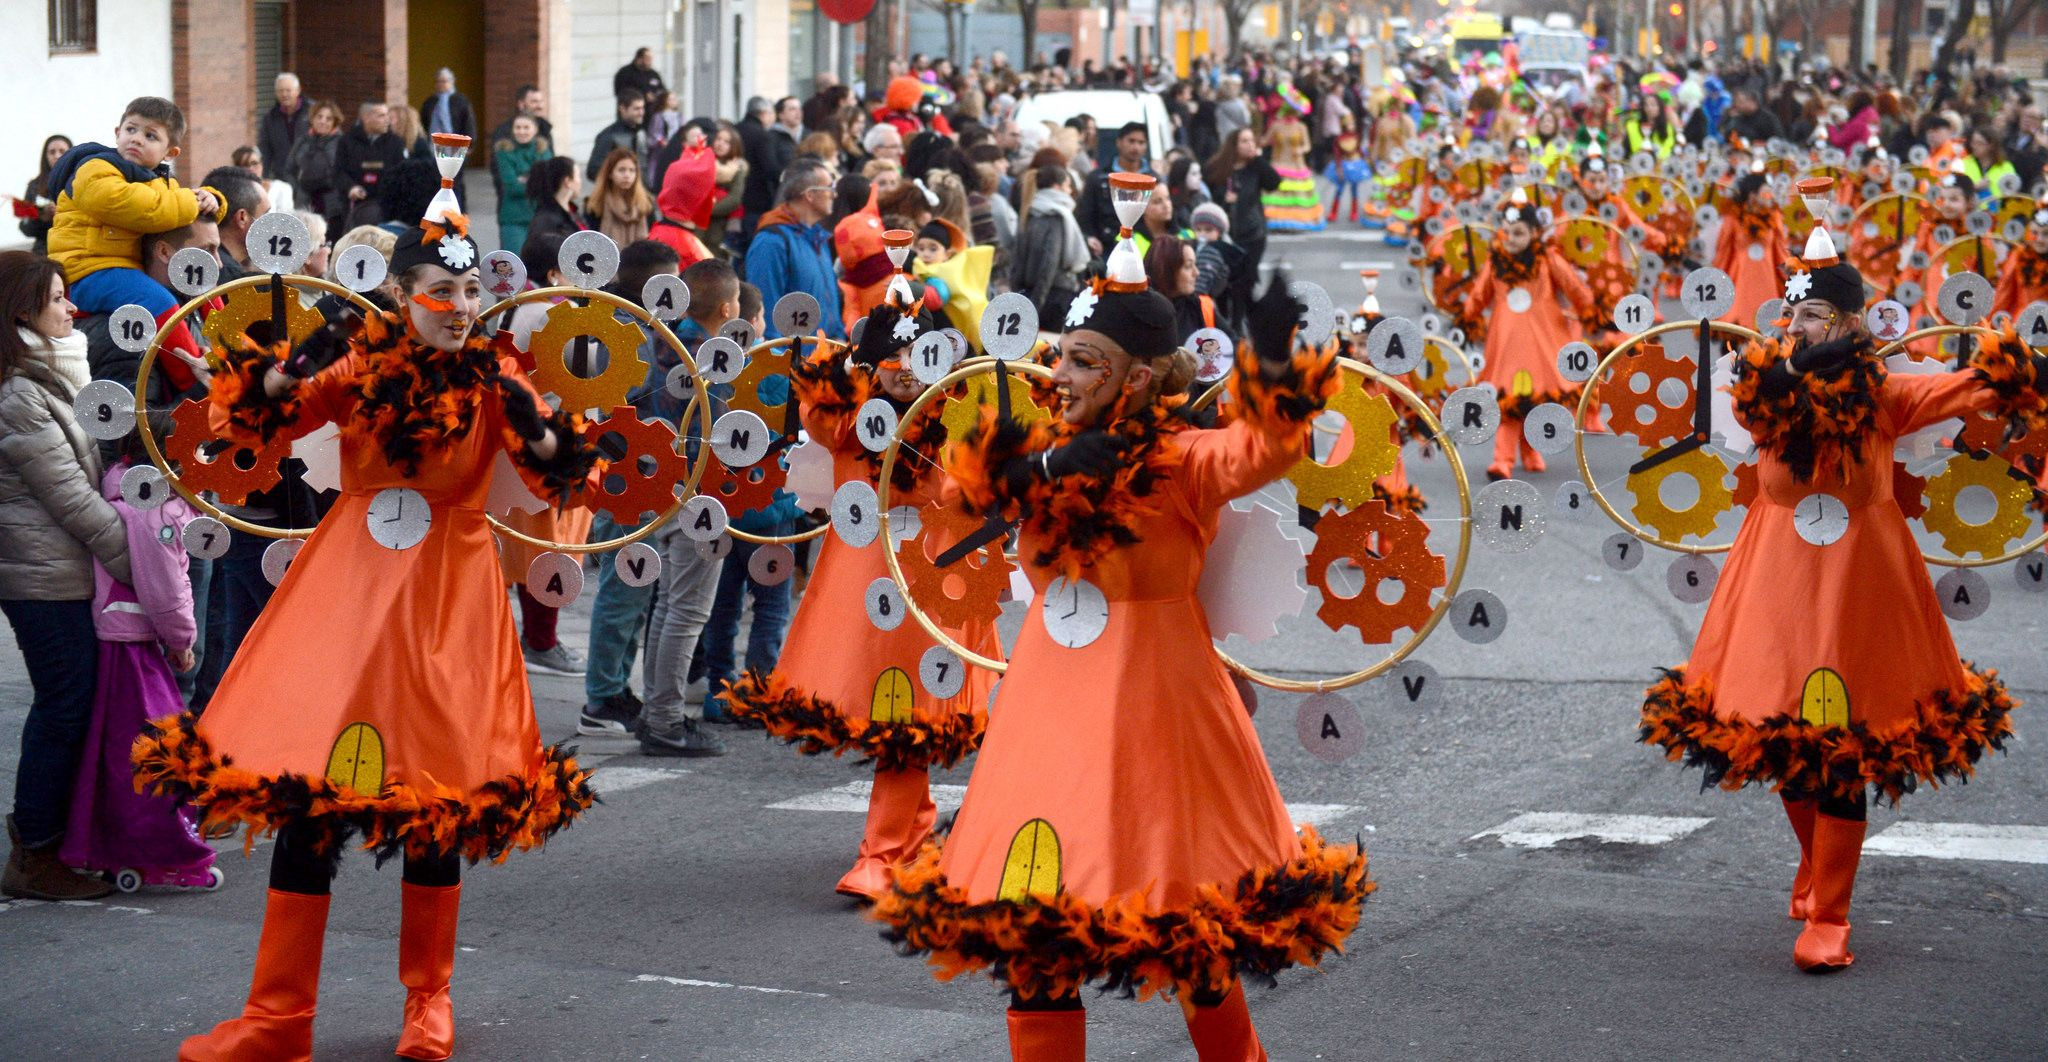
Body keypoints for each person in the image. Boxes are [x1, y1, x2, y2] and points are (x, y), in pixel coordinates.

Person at [135, 195, 601, 1060]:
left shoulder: (499, 382)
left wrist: (544, 439)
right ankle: (279, 1019)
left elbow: (563, 485)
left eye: (467, 292)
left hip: (447, 600)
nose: (459, 307)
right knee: (311, 793)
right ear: (399, 292)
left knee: (434, 797)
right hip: (348, 589)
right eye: (439, 291)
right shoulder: (359, 368)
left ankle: (429, 1005)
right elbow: (253, 425)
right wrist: (288, 369)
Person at [873, 265, 1366, 1062]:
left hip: (1157, 716)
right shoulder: (1038, 451)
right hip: (1047, 716)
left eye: (1082, 362)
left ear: (1137, 378)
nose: (1057, 376)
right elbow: (954, 501)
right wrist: (1038, 471)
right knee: (1036, 935)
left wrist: (1274, 369)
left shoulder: (1180, 459)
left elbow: (1260, 453)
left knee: (1192, 935)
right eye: (1060, 356)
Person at [1638, 198, 2044, 974]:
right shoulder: (1763, 390)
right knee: (1778, 734)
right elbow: (1712, 417)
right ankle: (1816, 862)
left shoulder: (1886, 396)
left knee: (1845, 749)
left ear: (1854, 325)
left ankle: (1830, 912)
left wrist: (2025, 368)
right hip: (1777, 584)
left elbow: (1972, 390)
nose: (1799, 326)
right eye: (1795, 314)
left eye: (1817, 313)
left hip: (1863, 592)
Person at [725, 282, 999, 899]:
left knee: (912, 718)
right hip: (867, 587)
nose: (906, 377)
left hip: (935, 584)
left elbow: (997, 454)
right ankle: (911, 831)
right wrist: (859, 351)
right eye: (892, 366)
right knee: (896, 715)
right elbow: (815, 398)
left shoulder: (956, 412)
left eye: (919, 362)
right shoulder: (851, 424)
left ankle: (884, 851)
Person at [0, 250, 133, 901]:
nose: (70, 309)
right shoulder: (18, 395)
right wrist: (134, 567)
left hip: (58, 572)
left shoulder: (45, 374)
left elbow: (100, 446)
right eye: (57, 299)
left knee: (69, 703)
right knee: (64, 705)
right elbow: (74, 501)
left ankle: (55, 842)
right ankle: (35, 851)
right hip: (39, 580)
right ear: (23, 309)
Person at [58, 428, 214, 891]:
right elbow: (165, 590)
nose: (207, 458)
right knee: (154, 748)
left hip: (121, 635)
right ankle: (157, 845)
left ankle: (112, 844)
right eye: (200, 449)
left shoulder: (133, 494)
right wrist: (183, 639)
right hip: (132, 640)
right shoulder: (156, 512)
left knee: (118, 749)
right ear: (175, 459)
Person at [623, 256, 733, 756]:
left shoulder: (663, 341)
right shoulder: (716, 358)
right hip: (698, 490)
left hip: (660, 485)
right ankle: (666, 720)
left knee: (668, 605)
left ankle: (656, 712)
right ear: (730, 306)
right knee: (687, 611)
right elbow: (731, 435)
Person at [575, 238, 683, 739]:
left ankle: (614, 686)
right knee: (626, 586)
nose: (676, 289)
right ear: (647, 283)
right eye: (669, 280)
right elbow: (618, 410)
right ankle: (603, 697)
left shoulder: (643, 326)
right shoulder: (626, 331)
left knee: (635, 588)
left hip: (640, 471)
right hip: (628, 476)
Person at [46, 97, 225, 394]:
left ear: (170, 153)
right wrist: (189, 201)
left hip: (117, 269)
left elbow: (175, 205)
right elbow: (145, 208)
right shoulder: (95, 169)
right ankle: (194, 383)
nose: (137, 140)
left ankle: (235, 351)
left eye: (150, 135)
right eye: (131, 130)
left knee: (204, 285)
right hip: (86, 270)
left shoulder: (155, 182)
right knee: (156, 300)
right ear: (117, 132)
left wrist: (211, 199)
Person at [1461, 190, 1595, 480]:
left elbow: (1573, 287)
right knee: (1508, 398)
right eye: (1506, 232)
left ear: (1535, 233)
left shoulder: (1548, 259)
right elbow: (1479, 294)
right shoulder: (1496, 261)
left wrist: (1590, 309)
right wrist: (1466, 317)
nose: (1510, 238)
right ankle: (1502, 460)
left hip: (1542, 341)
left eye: (1518, 233)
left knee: (1534, 398)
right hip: (1507, 342)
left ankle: (1530, 450)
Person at [745, 159, 844, 340]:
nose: (834, 195)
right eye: (829, 188)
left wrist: (837, 338)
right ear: (810, 195)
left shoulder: (818, 238)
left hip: (824, 359)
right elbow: (765, 311)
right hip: (793, 362)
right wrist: (777, 362)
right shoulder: (771, 242)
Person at [1204, 128, 1283, 325]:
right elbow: (1209, 198)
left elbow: (1274, 182)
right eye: (1244, 141)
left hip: (1253, 233)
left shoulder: (1255, 167)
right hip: (1225, 234)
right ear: (1234, 145)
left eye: (1251, 140)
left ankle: (1240, 324)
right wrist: (1225, 199)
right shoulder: (1218, 168)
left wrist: (1258, 159)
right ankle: (1224, 319)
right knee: (1224, 280)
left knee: (1245, 280)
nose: (1249, 144)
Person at [1010, 162, 1088, 332]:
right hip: (1053, 298)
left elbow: (1017, 261)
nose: (1070, 191)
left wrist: (1018, 299)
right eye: (1067, 185)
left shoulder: (1029, 211)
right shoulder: (1057, 215)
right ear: (1056, 186)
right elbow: (1048, 264)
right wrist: (1035, 308)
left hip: (1028, 294)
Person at [1713, 170, 1789, 327]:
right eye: (1766, 193)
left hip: (1767, 278)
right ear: (1752, 195)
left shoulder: (1774, 218)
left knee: (1770, 325)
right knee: (1738, 322)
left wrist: (1793, 274)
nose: (1770, 197)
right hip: (1741, 277)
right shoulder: (1733, 218)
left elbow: (1781, 251)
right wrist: (1716, 278)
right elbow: (1723, 251)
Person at [1076, 121, 1153, 253]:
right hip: (1106, 251)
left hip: (1145, 252)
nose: (1136, 147)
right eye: (1131, 141)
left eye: (1141, 143)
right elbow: (1085, 217)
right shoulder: (1098, 178)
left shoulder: (1152, 180)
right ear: (1119, 142)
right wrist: (1090, 239)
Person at [647, 129, 718, 269]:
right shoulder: (684, 248)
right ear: (693, 200)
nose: (714, 200)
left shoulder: (661, 233)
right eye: (709, 193)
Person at [335, 100, 407, 230]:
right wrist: (351, 187)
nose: (387, 120)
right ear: (366, 118)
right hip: (354, 207)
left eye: (387, 115)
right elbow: (339, 171)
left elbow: (401, 173)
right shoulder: (347, 141)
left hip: (385, 208)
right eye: (381, 116)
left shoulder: (395, 142)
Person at [283, 102, 345, 232]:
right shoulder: (303, 141)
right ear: (313, 118)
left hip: (331, 205)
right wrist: (297, 189)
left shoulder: (342, 142)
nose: (323, 121)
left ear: (335, 122)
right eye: (319, 117)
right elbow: (289, 169)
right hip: (304, 202)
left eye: (328, 119)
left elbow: (345, 173)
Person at [493, 114, 550, 255]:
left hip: (539, 216)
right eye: (518, 127)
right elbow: (512, 187)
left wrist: (524, 178)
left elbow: (548, 183)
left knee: (538, 266)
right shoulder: (504, 151)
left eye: (526, 127)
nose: (522, 131)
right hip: (513, 218)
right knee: (514, 265)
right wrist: (535, 179)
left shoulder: (543, 151)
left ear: (535, 129)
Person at [587, 147, 654, 247]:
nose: (627, 175)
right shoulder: (597, 203)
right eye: (621, 170)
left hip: (640, 260)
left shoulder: (645, 203)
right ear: (610, 173)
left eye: (632, 170)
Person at [19, 135, 72, 255]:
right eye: (52, 152)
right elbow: (24, 226)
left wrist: (61, 212)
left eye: (62, 151)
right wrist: (42, 217)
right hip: (43, 252)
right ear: (46, 156)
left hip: (73, 247)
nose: (57, 156)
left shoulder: (79, 181)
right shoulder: (34, 186)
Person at [256, 73, 312, 182]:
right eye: (280, 91)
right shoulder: (270, 118)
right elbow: (265, 150)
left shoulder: (313, 112)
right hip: (282, 177)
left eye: (288, 90)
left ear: (298, 90)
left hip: (309, 176)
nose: (284, 94)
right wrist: (263, 177)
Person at [524, 156, 588, 246]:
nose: (580, 181)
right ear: (568, 181)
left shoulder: (572, 212)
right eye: (578, 176)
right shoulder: (546, 220)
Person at [707, 122, 749, 256]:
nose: (720, 143)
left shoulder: (737, 168)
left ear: (734, 146)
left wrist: (706, 210)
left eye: (726, 142)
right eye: (718, 139)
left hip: (718, 229)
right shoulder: (704, 161)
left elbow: (734, 199)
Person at [586, 94, 648, 183]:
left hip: (640, 193)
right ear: (622, 109)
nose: (641, 113)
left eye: (642, 108)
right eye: (636, 109)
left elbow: (643, 167)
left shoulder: (641, 133)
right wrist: (616, 184)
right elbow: (593, 170)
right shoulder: (608, 136)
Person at [231, 146, 295, 215]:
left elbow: (286, 219)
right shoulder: (234, 194)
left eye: (254, 163)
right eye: (245, 165)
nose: (250, 168)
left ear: (261, 164)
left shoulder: (281, 188)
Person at [613, 47, 666, 112]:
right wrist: (643, 96)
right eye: (648, 59)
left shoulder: (653, 74)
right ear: (639, 59)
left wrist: (657, 96)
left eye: (651, 59)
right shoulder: (625, 73)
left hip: (651, 114)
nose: (650, 62)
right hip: (631, 114)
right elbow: (621, 93)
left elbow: (662, 89)